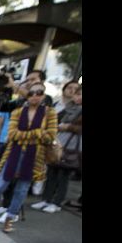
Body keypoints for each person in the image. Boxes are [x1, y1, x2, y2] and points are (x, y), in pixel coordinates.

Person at [0, 82, 58, 232]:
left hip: (34, 156)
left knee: (21, 190)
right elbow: (12, 134)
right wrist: (37, 133)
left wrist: (27, 135)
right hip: (14, 153)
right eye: (31, 93)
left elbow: (50, 136)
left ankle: (9, 220)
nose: (35, 96)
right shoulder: (17, 112)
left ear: (44, 95)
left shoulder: (50, 113)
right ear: (26, 95)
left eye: (39, 92)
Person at [32, 85, 82, 213]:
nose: (78, 97)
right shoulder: (68, 107)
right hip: (59, 142)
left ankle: (56, 202)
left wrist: (69, 127)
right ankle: (46, 199)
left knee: (63, 175)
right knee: (52, 172)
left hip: (72, 146)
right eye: (77, 94)